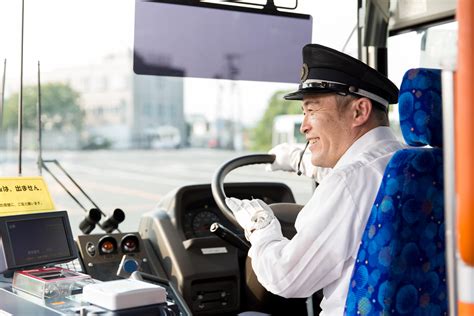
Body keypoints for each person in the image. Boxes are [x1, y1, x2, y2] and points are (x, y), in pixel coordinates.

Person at [225, 43, 405, 315]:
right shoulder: (411, 165)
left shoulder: (348, 183)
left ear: (359, 111)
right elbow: (365, 174)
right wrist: (301, 160)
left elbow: (286, 278)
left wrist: (261, 229)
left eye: (312, 110)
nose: (303, 125)